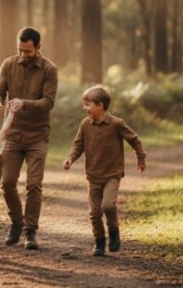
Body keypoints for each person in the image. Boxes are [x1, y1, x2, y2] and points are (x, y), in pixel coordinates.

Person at [0, 27, 58, 249]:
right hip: (11, 134)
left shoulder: (49, 69)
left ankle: (30, 232)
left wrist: (24, 103)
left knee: (34, 185)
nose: (23, 55)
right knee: (7, 182)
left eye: (28, 51)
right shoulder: (8, 64)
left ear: (38, 47)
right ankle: (17, 223)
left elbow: (48, 102)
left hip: (37, 136)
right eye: (20, 50)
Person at [63, 84, 146, 256]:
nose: (84, 108)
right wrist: (70, 158)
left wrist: (141, 158)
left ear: (100, 105)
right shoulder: (85, 124)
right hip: (93, 176)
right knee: (94, 212)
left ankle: (114, 232)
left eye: (88, 104)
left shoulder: (116, 124)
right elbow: (78, 145)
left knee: (108, 206)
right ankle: (99, 241)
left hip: (112, 175)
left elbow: (134, 140)